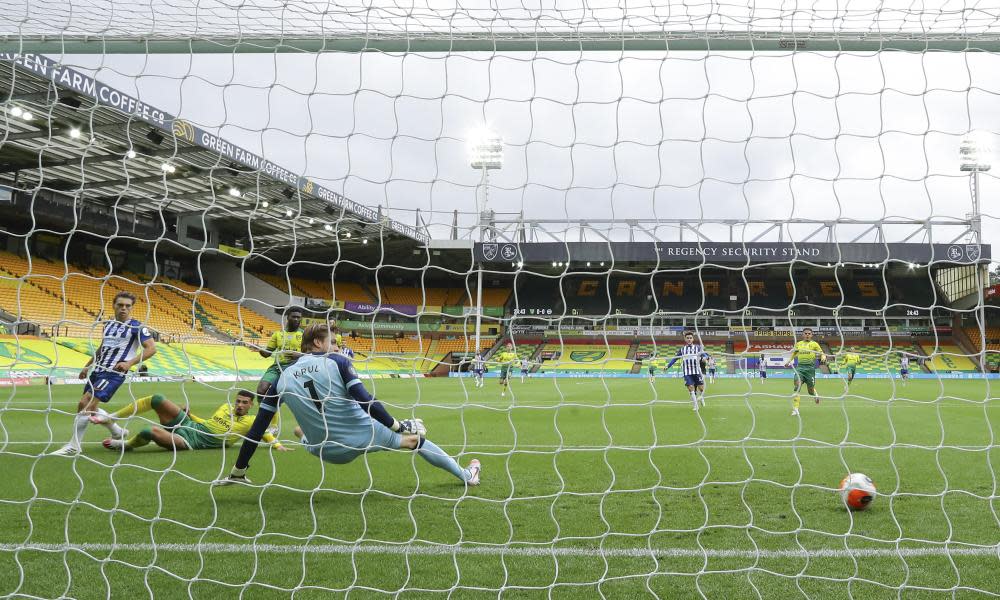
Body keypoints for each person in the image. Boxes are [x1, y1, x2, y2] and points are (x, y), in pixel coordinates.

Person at [214, 324, 480, 486]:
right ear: (318, 343)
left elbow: (257, 429)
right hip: (362, 437)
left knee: (307, 433)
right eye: (334, 343)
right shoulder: (337, 362)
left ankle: (304, 436)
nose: (338, 348)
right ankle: (467, 476)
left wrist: (238, 470)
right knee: (416, 438)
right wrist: (399, 425)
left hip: (325, 452)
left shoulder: (280, 380)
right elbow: (366, 401)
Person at [50, 291, 157, 456]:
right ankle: (117, 432)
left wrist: (129, 363)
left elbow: (151, 348)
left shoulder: (137, 327)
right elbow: (102, 348)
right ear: (114, 305)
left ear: (131, 308)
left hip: (114, 372)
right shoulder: (108, 325)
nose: (124, 308)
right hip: (98, 370)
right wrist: (87, 366)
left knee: (87, 404)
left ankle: (74, 445)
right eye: (120, 305)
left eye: (127, 306)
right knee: (84, 405)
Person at [94, 390, 289, 452]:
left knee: (148, 431)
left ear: (250, 405)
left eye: (244, 403)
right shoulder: (224, 407)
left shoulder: (251, 421)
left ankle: (126, 444)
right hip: (191, 425)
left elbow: (265, 432)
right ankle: (110, 417)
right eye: (238, 401)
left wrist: (277, 445)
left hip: (192, 442)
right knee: (157, 399)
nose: (239, 404)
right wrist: (189, 415)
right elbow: (207, 422)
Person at [251, 307, 304, 403]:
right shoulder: (278, 334)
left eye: (298, 317)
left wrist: (300, 355)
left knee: (283, 395)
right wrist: (259, 349)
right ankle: (263, 413)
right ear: (288, 317)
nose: (296, 319)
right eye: (294, 317)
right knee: (261, 390)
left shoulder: (304, 334)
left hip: (295, 368)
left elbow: (312, 354)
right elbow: (267, 354)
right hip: (277, 367)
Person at [784, 328, 826, 416]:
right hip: (800, 368)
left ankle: (815, 394)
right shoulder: (798, 344)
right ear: (803, 335)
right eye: (805, 333)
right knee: (797, 386)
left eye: (809, 333)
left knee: (810, 391)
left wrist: (823, 358)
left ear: (811, 335)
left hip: (810, 369)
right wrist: (788, 361)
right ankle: (795, 409)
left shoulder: (814, 344)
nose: (807, 335)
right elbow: (794, 353)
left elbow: (821, 353)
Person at [665, 331, 711, 411]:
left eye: (690, 338)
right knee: (690, 388)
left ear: (693, 339)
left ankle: (701, 398)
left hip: (697, 371)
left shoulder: (698, 348)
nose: (689, 339)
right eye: (687, 338)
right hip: (687, 372)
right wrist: (668, 366)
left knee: (701, 388)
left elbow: (705, 355)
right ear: (685, 339)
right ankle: (695, 405)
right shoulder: (682, 350)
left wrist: (707, 358)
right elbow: (675, 358)